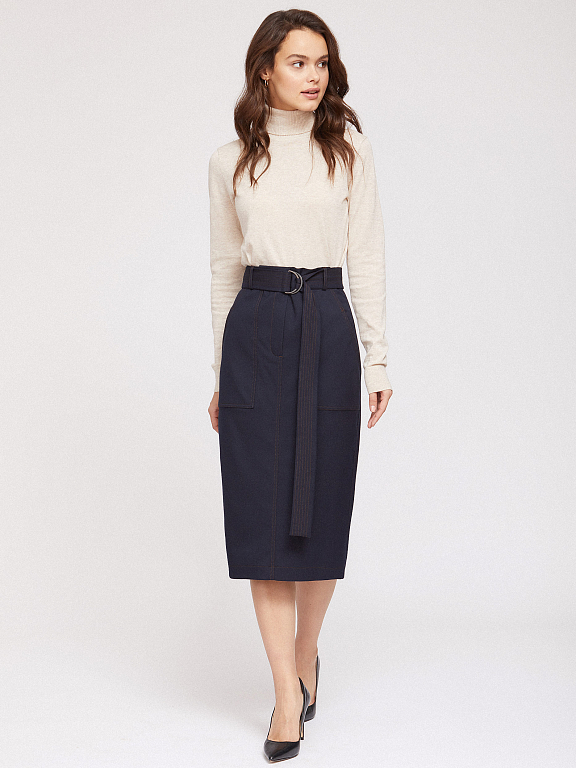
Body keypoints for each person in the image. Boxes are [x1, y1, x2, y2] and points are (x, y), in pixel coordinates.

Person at [207, 9, 393, 762]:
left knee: (320, 508)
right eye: (298, 62)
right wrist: (220, 374)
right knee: (260, 516)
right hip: (254, 328)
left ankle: (306, 651)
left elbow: (367, 257)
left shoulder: (348, 151)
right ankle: (286, 692)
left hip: (326, 323)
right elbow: (223, 270)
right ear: (265, 70)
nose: (314, 76)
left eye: (322, 63)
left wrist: (378, 358)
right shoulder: (230, 161)